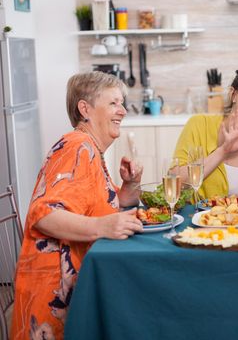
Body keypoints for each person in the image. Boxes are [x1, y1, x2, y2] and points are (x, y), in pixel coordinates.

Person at [11, 71, 144, 339]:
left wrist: (128, 187)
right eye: (113, 103)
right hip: (51, 304)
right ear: (85, 109)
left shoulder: (91, 149)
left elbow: (102, 205)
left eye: (122, 103)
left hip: (72, 289)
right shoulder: (77, 146)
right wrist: (101, 227)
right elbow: (43, 214)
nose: (122, 111)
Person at [174, 64, 238, 202]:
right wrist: (223, 151)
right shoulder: (198, 125)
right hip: (195, 222)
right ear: (234, 94)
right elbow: (175, 184)